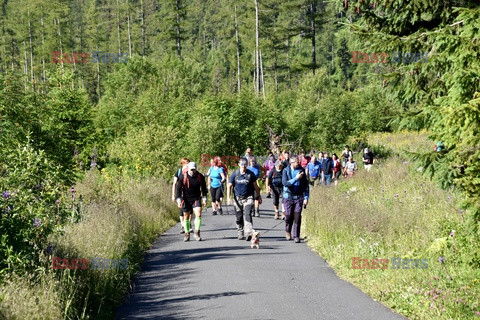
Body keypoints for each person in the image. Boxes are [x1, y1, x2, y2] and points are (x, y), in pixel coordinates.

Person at [227, 158, 262, 240]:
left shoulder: (250, 174)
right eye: (242, 164)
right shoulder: (235, 174)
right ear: (239, 164)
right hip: (237, 198)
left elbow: (256, 186)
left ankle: (249, 232)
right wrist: (229, 198)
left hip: (248, 197)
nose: (244, 166)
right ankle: (240, 231)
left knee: (247, 214)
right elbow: (229, 186)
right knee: (238, 217)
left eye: (245, 164)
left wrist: (259, 196)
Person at [176, 162, 208, 241]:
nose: (192, 171)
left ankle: (197, 233)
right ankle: (187, 234)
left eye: (194, 169)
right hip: (186, 199)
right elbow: (178, 189)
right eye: (191, 169)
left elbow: (204, 188)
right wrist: (178, 200)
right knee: (186, 216)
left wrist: (204, 198)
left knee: (198, 214)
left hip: (196, 198)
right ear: (188, 169)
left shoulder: (200, 176)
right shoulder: (183, 176)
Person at [282, 156, 309, 243]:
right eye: (297, 162)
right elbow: (286, 183)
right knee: (289, 215)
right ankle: (287, 230)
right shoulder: (286, 171)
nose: (299, 163)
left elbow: (306, 185)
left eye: (299, 161)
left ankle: (296, 235)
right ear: (292, 163)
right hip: (288, 197)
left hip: (299, 197)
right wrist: (296, 178)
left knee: (297, 217)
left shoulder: (302, 170)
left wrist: (306, 197)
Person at [172, 157, 191, 234]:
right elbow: (174, 184)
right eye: (186, 163)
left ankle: (188, 225)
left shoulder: (190, 171)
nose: (188, 164)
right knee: (181, 210)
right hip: (181, 193)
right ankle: (182, 226)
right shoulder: (179, 172)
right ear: (182, 163)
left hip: (189, 193)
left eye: (188, 163)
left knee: (190, 210)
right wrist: (173, 195)